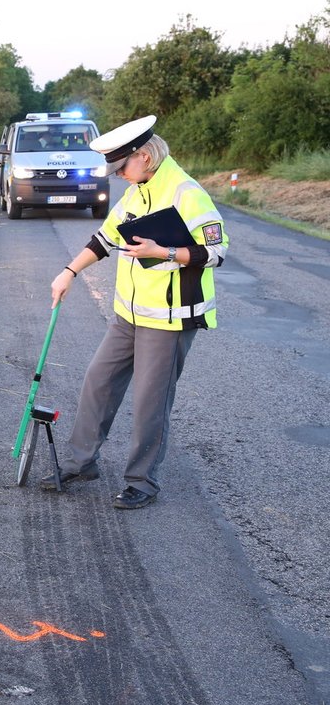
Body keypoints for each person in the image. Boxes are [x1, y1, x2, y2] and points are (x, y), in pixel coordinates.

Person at [45, 115, 228, 509]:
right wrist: (69, 271)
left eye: (121, 167)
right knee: (98, 380)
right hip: (130, 315)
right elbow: (105, 238)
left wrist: (162, 252)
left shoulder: (185, 193)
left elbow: (216, 252)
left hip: (170, 317)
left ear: (144, 156)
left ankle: (142, 481)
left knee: (150, 400)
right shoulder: (137, 191)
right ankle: (81, 462)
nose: (118, 176)